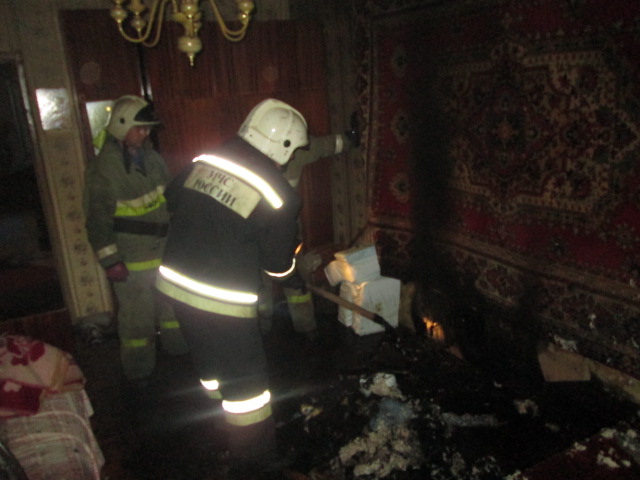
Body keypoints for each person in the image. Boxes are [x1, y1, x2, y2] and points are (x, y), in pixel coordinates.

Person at [155, 98, 308, 474]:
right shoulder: (279, 194)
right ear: (283, 146)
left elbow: (173, 197)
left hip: (175, 284)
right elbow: (276, 265)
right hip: (220, 300)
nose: (293, 158)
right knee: (248, 387)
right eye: (294, 151)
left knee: (209, 359)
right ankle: (254, 459)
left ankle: (214, 416)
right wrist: (293, 276)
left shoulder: (208, 158)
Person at [83, 95, 188, 382]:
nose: (145, 134)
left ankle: (179, 356)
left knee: (172, 309)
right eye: (139, 128)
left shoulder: (153, 159)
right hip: (132, 260)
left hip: (164, 252)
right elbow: (97, 221)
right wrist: (111, 261)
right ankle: (139, 373)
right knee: (136, 321)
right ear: (120, 125)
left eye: (147, 128)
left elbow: (169, 199)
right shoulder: (103, 170)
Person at [260, 114, 361, 339]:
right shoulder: (252, 159)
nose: (287, 159)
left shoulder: (296, 152)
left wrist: (350, 139)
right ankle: (261, 332)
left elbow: (323, 146)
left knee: (297, 284)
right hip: (257, 237)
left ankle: (307, 330)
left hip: (287, 236)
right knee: (260, 290)